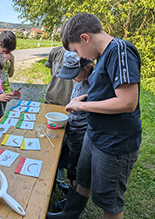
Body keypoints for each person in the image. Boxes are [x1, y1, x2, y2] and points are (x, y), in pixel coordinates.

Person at [47, 13, 142, 219]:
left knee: (110, 203)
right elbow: (107, 91)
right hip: (95, 133)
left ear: (85, 38)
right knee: (83, 179)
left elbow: (127, 101)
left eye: (76, 50)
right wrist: (83, 99)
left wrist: (83, 107)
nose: (79, 56)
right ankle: (69, 214)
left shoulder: (120, 51)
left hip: (115, 142)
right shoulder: (102, 55)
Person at [47, 51, 94, 214]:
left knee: (77, 171)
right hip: (72, 129)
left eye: (75, 74)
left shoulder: (93, 84)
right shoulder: (80, 81)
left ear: (87, 67)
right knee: (70, 163)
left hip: (82, 135)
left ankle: (69, 209)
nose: (73, 78)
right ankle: (71, 194)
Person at [45, 46, 76, 188]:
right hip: (52, 98)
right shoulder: (55, 51)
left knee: (66, 141)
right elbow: (52, 71)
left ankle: (60, 172)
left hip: (70, 103)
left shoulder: (82, 53)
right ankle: (48, 168)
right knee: (50, 137)